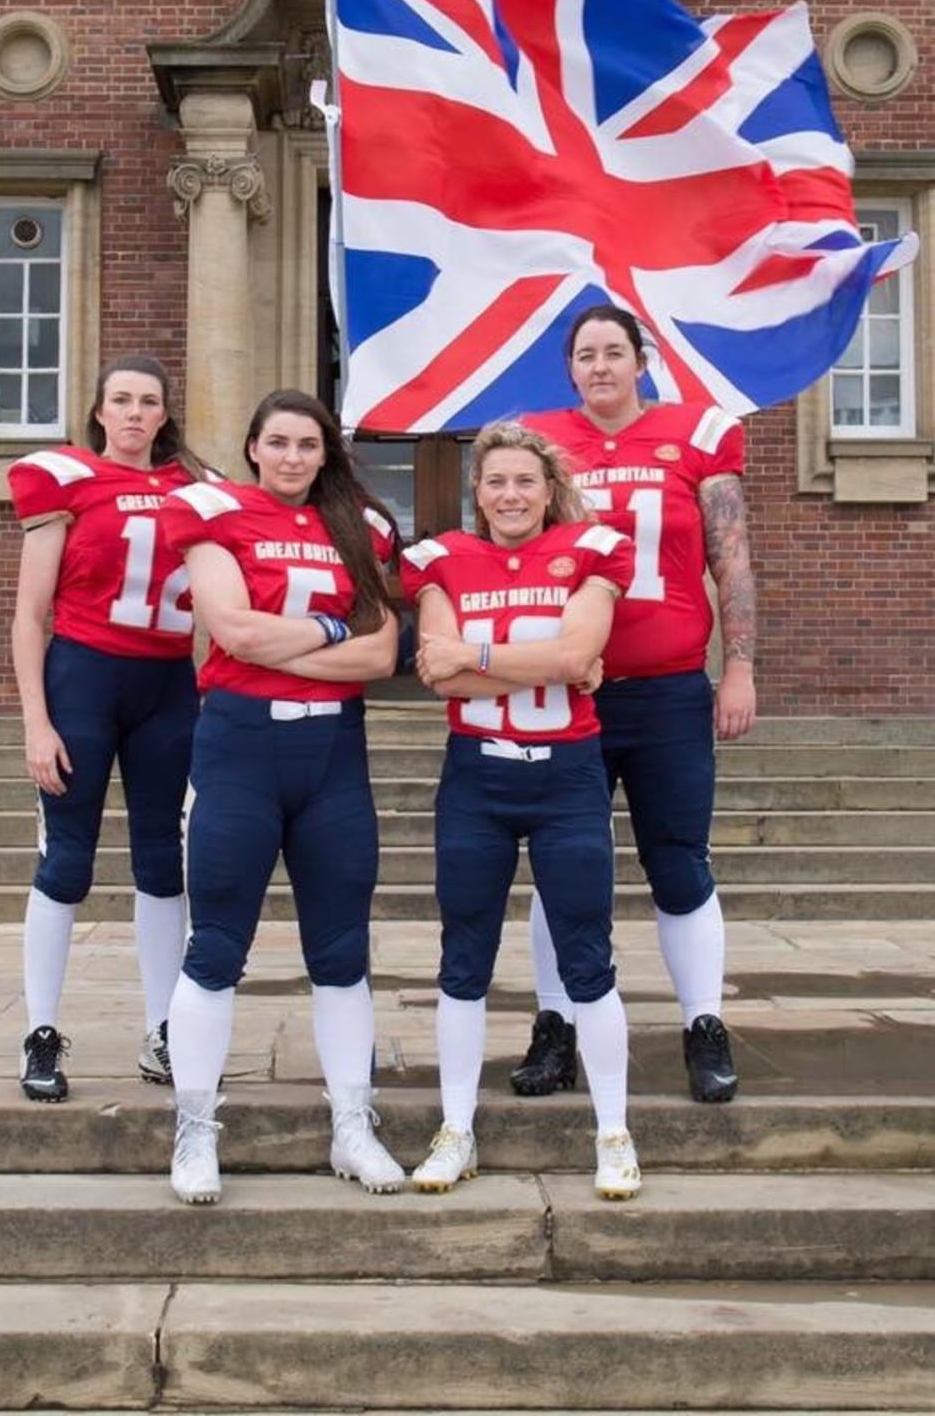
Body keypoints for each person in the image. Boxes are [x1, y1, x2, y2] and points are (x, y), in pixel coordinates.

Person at [158, 390, 402, 1206]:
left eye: (309, 443)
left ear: (325, 452)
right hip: (240, 746)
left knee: (341, 950)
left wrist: (299, 646)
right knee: (216, 941)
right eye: (280, 442)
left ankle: (352, 1125)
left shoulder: (361, 527)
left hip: (332, 753)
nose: (294, 456)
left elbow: (382, 652)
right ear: (254, 448)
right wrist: (332, 634)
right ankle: (195, 1129)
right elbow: (234, 630)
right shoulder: (216, 511)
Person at [514, 302, 757, 1105]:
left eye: (613, 351)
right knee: (559, 866)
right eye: (584, 355)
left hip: (667, 689)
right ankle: (556, 1024)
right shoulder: (541, 442)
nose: (599, 367)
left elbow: (732, 558)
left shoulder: (697, 435)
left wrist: (741, 666)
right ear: (569, 365)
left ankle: (703, 1023)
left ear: (641, 358)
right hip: (567, 688)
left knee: (679, 859)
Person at [401, 421, 641, 1200]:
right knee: (463, 958)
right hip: (478, 779)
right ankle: (456, 1127)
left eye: (525, 481)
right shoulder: (441, 560)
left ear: (547, 490)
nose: (510, 494)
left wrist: (482, 658)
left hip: (568, 776)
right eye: (496, 481)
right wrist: (546, 665)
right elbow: (440, 672)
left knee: (588, 960)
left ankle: (613, 1131)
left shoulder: (593, 548)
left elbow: (576, 657)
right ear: (477, 491)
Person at [8, 355, 208, 1103]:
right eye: (120, 399)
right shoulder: (67, 480)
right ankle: (41, 1028)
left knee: (163, 861)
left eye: (147, 400)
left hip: (166, 684)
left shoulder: (197, 491)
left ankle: (163, 1028)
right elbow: (30, 615)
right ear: (98, 410)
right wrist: (35, 719)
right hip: (83, 678)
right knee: (66, 861)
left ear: (163, 414)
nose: (133, 412)